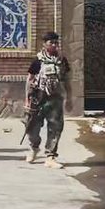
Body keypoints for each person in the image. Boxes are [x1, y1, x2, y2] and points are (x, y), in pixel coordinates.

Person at [25, 32, 71, 169]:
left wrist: (69, 98)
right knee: (32, 128)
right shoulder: (38, 61)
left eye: (56, 43)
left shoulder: (62, 60)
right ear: (44, 44)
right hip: (38, 98)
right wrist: (27, 99)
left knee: (55, 128)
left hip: (55, 99)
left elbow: (66, 80)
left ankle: (50, 156)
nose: (54, 45)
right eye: (51, 43)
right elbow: (30, 79)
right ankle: (34, 148)